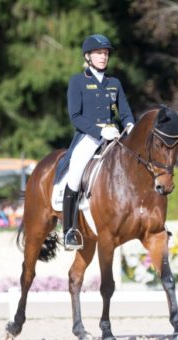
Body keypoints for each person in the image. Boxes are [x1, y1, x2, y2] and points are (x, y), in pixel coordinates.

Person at [62, 34, 135, 250]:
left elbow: (125, 112)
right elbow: (75, 117)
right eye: (98, 53)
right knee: (75, 176)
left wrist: (130, 125)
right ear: (88, 56)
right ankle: (69, 231)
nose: (103, 57)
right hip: (88, 136)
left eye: (105, 54)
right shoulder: (78, 81)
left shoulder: (115, 83)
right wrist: (100, 132)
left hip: (115, 135)